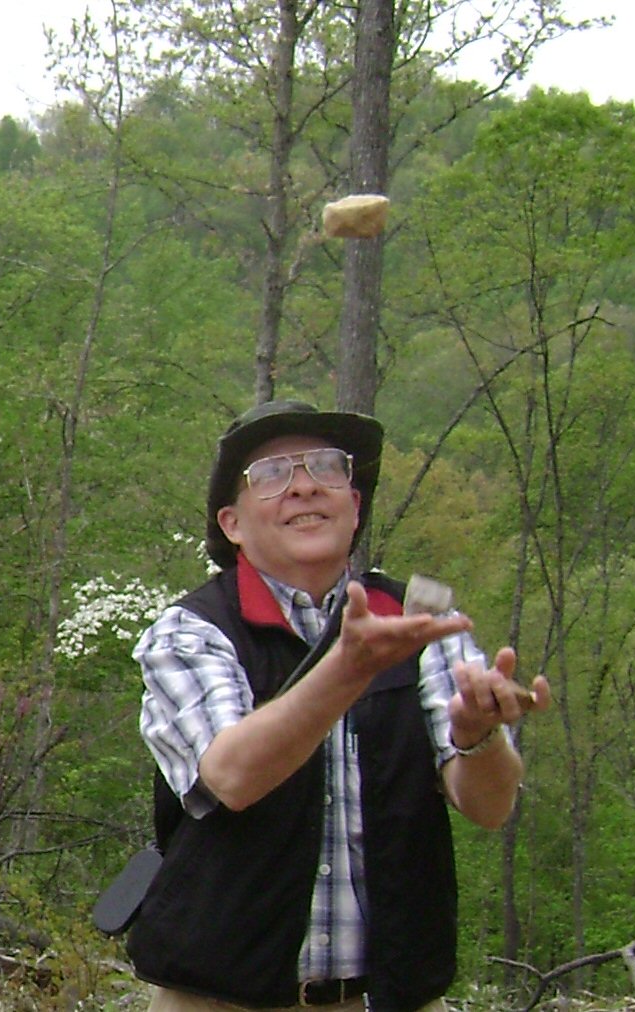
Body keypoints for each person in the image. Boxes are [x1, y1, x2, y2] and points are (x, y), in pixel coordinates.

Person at [127, 399, 550, 1012]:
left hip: (391, 997)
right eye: (271, 475)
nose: (303, 486)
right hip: (216, 999)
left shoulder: (417, 623)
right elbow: (231, 776)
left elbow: (488, 806)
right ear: (232, 524)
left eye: (326, 467)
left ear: (353, 506)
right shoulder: (192, 631)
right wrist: (347, 669)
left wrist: (476, 734)